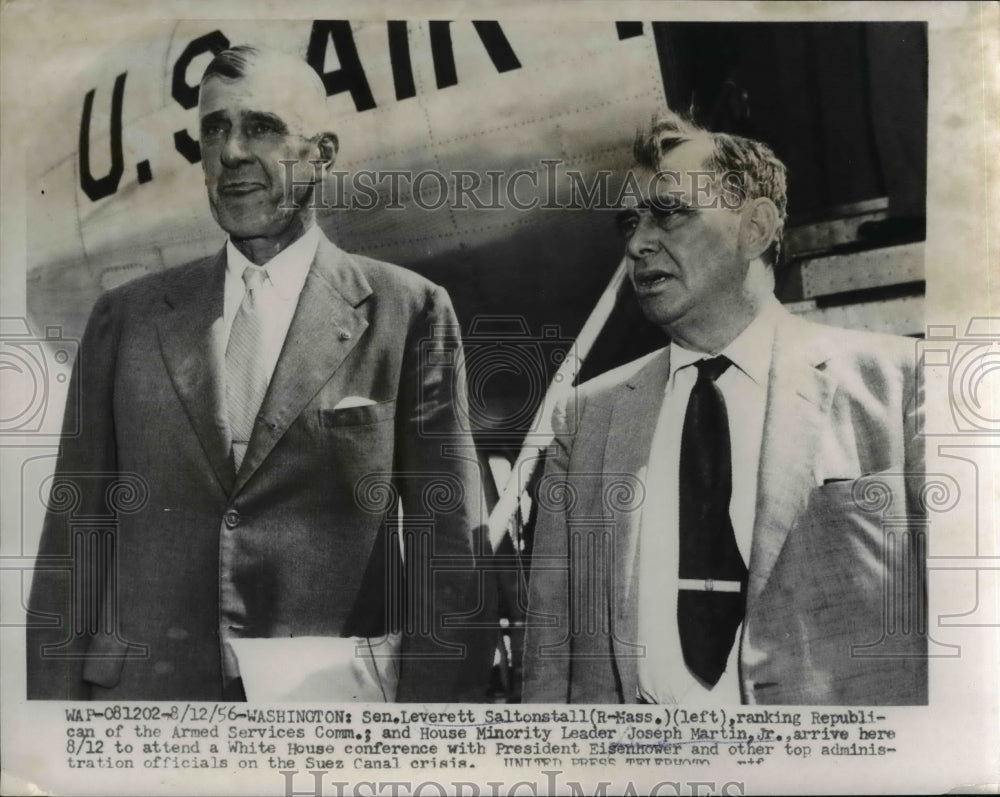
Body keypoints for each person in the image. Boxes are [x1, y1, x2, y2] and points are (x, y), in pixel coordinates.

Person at [27, 46, 492, 702]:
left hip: (328, 719)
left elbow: (451, 558)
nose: (232, 152)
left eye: (263, 128)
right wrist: (52, 739)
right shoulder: (124, 320)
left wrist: (438, 737)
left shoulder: (407, 311)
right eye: (213, 130)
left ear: (322, 153)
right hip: (150, 721)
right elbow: (70, 554)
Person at [522, 110, 926, 705]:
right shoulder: (585, 419)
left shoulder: (900, 386)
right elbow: (551, 653)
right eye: (629, 222)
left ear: (756, 227)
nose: (637, 244)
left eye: (669, 212)